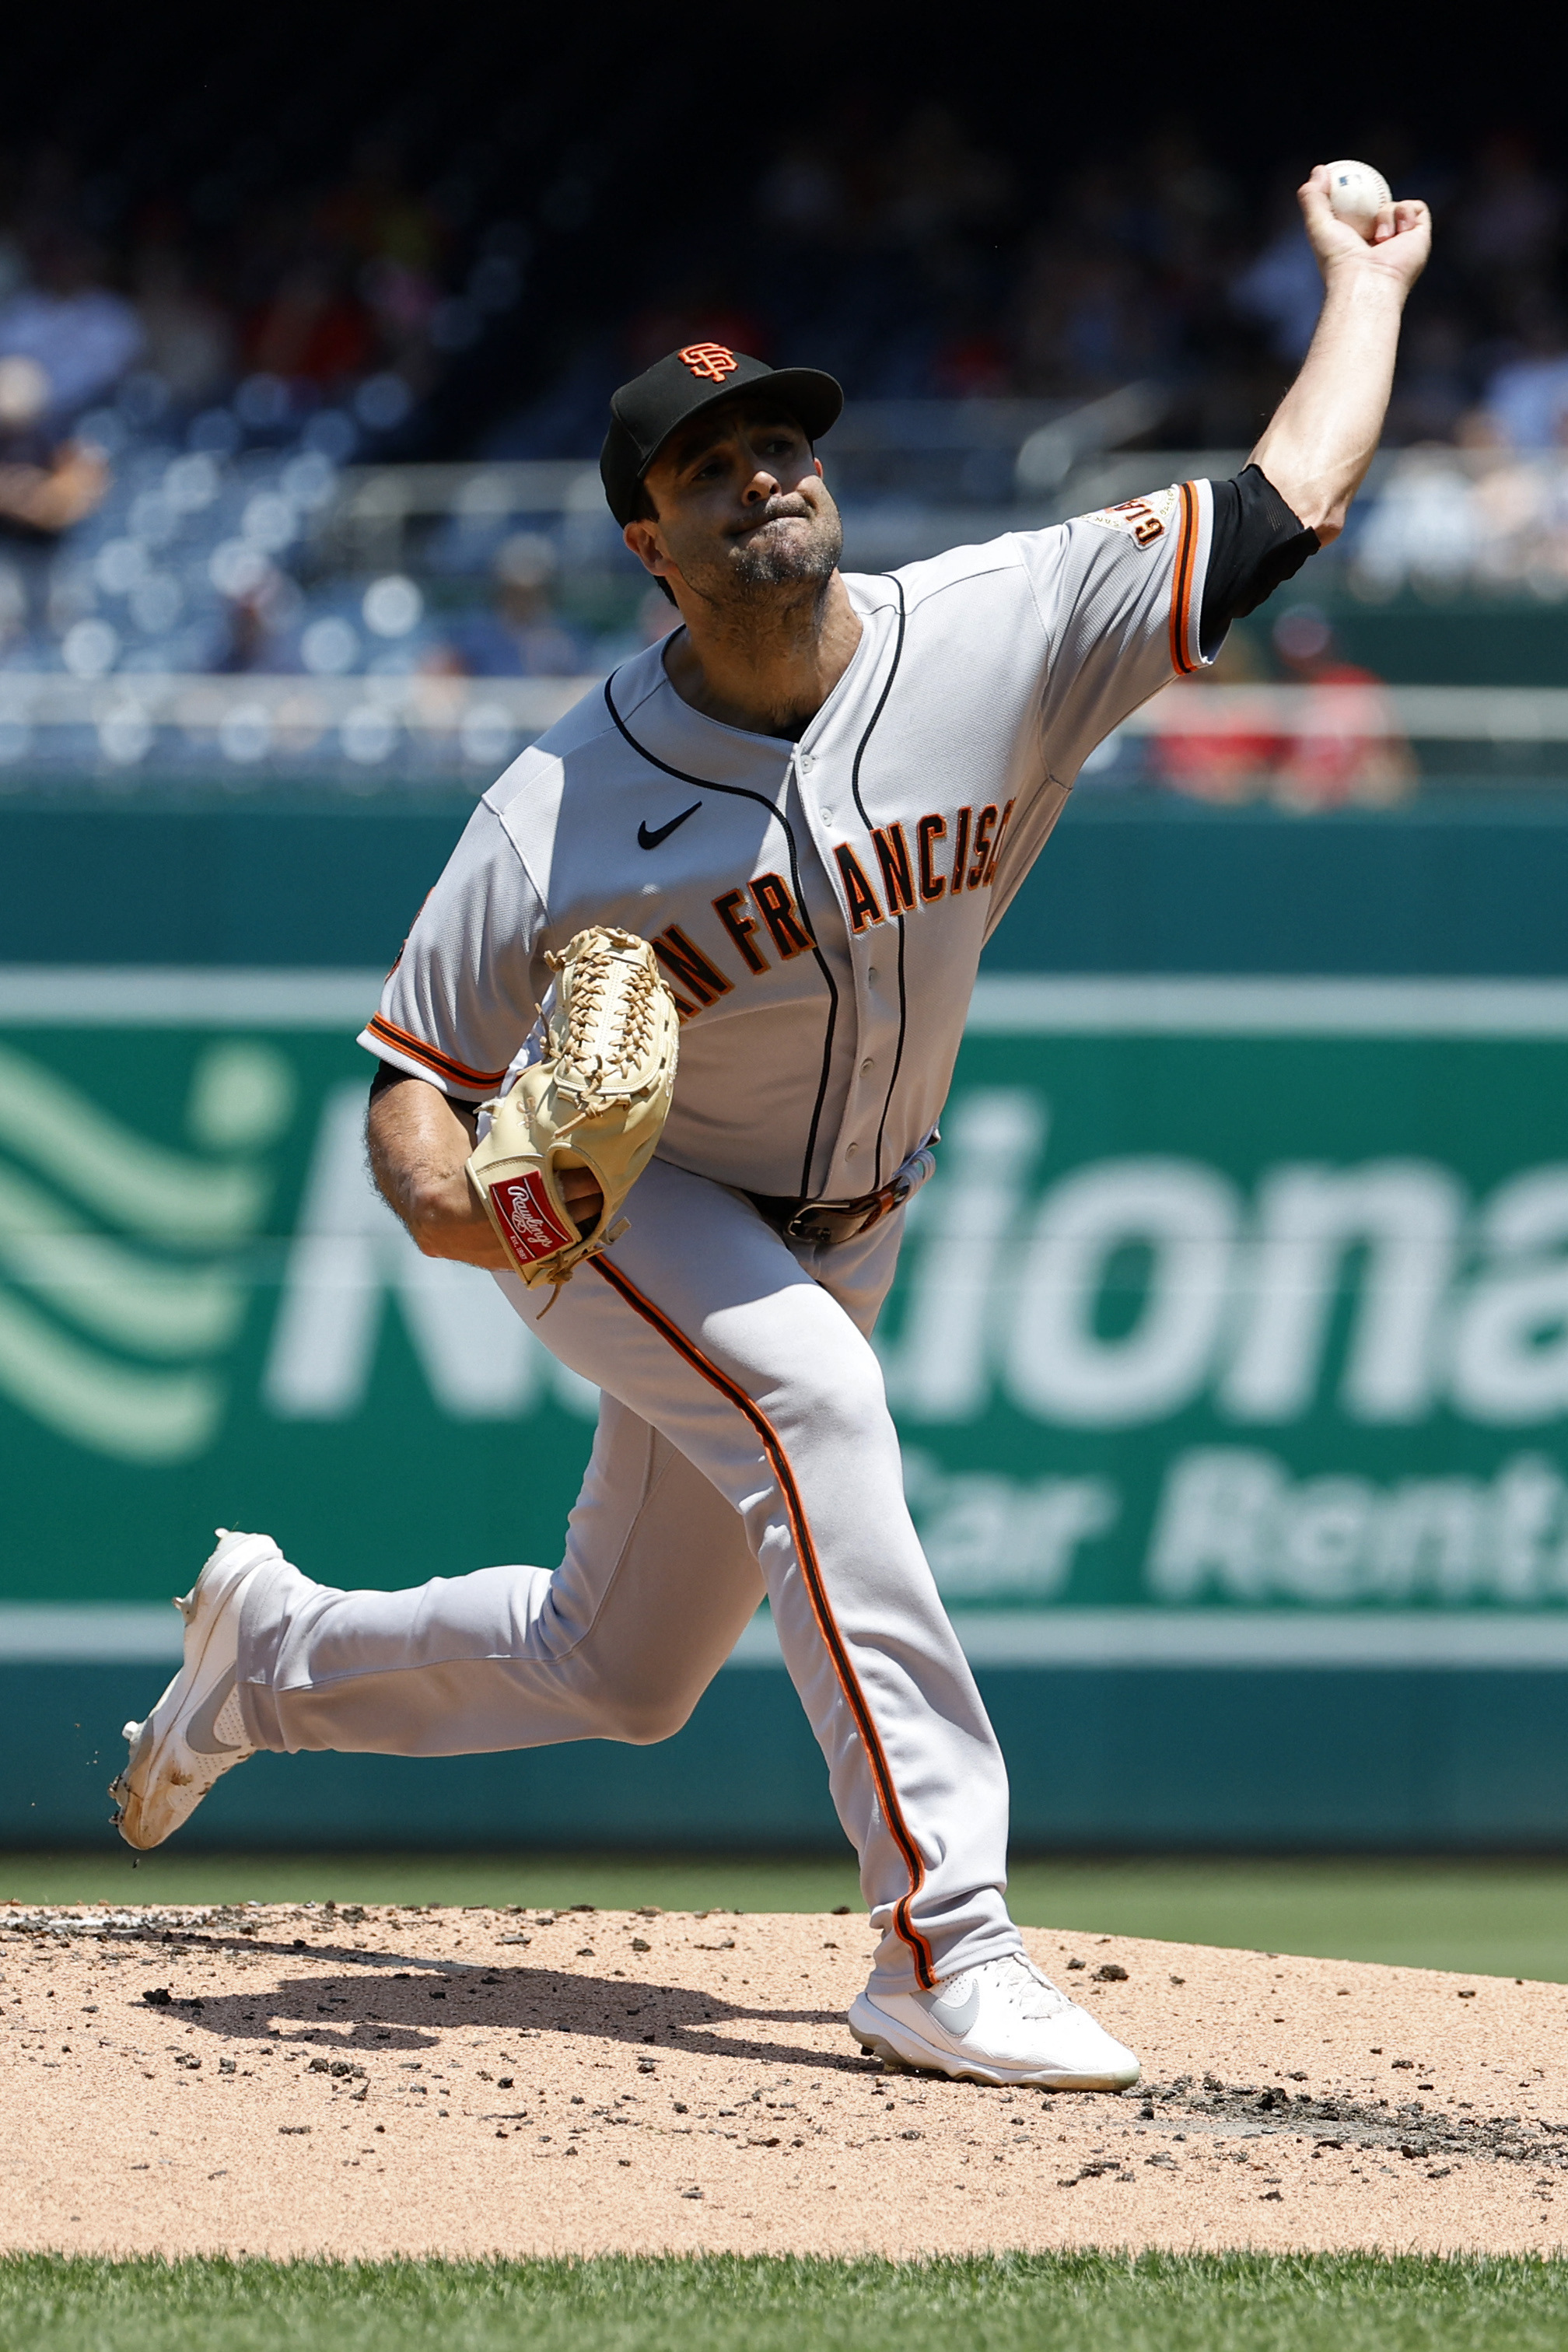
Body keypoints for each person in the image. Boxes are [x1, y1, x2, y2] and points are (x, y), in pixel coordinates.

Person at [112, 167, 1431, 2090]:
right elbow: (412, 1099)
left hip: (854, 1209)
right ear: (651, 539)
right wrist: (491, 1211)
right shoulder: (559, 803)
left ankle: (274, 1651)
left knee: (622, 1671)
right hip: (635, 1207)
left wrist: (1366, 286)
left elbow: (1285, 497)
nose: (762, 475)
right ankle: (941, 1944)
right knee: (819, 1406)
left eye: (780, 439)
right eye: (709, 463)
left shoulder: (996, 627)